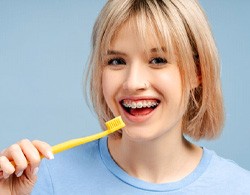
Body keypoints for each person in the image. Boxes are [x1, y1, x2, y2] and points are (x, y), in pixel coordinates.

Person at [0, 0, 250, 194]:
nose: (133, 83)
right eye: (117, 61)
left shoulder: (240, 188)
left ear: (198, 73)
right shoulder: (41, 181)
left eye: (158, 60)